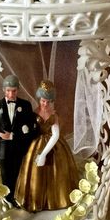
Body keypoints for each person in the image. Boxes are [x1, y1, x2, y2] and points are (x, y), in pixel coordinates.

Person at [14, 80, 79, 212]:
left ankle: (55, 199)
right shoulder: (35, 112)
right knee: (33, 171)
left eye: (48, 101)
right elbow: (29, 126)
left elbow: (55, 135)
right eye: (43, 100)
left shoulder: (53, 115)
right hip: (36, 143)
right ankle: (33, 200)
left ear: (52, 101)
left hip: (53, 146)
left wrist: (43, 154)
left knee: (55, 171)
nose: (45, 104)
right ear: (39, 99)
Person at [0, 75, 36, 205]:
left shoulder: (25, 106)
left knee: (19, 172)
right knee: (5, 174)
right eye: (8, 90)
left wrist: (14, 136)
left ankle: (19, 197)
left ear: (18, 90)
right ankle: (7, 198)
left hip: (20, 148)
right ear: (4, 90)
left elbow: (31, 130)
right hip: (3, 149)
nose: (11, 94)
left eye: (14, 90)